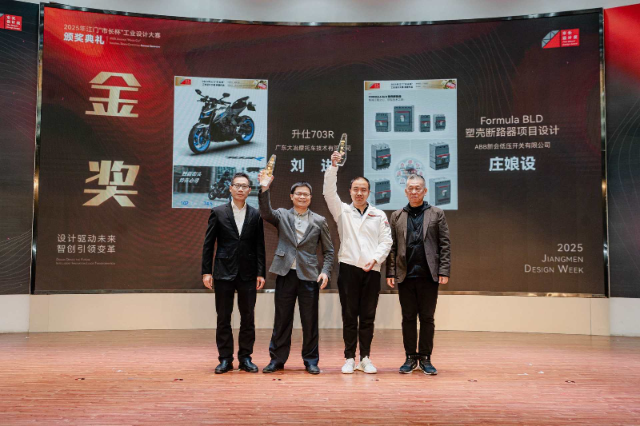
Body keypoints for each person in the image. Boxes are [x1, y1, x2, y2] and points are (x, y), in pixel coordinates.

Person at [258, 170, 334, 375]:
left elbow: (329, 251)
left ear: (311, 198)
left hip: (309, 276)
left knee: (310, 321)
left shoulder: (319, 220)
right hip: (285, 274)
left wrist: (325, 271)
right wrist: (264, 187)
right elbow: (265, 212)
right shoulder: (282, 214)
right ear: (291, 196)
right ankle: (277, 360)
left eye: (306, 194)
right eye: (298, 193)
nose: (302, 197)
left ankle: (311, 361)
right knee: (282, 320)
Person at [323, 151, 392, 374]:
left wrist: (375, 259)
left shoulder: (379, 215)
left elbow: (386, 241)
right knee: (350, 315)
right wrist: (333, 166)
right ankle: (349, 358)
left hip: (372, 270)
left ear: (369, 192)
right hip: (348, 269)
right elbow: (328, 192)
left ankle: (365, 358)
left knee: (368, 317)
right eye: (355, 189)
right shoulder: (342, 211)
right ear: (350, 191)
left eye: (363, 189)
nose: (359, 193)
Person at [201, 172, 266, 374]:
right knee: (223, 317)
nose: (240, 189)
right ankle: (225, 359)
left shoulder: (255, 214)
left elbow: (260, 246)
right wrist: (206, 272)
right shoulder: (218, 212)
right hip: (223, 272)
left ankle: (245, 358)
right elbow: (208, 244)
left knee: (248, 317)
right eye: (237, 185)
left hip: (248, 273)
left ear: (249, 190)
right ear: (230, 188)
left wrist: (261, 273)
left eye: (244, 186)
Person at [386, 174, 451, 375]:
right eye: (411, 188)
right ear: (406, 191)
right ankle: (409, 357)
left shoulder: (437, 214)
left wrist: (444, 270)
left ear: (425, 191)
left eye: (418, 188)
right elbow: (392, 247)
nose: (414, 192)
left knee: (427, 318)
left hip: (428, 275)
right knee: (408, 318)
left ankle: (425, 358)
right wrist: (390, 271)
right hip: (405, 275)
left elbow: (444, 244)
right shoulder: (397, 216)